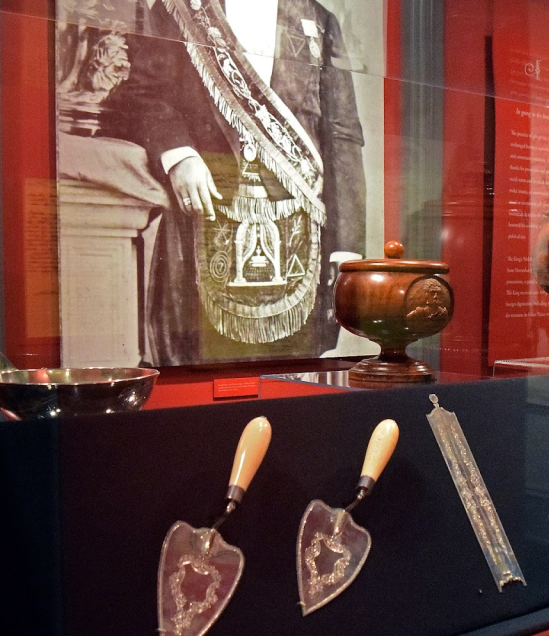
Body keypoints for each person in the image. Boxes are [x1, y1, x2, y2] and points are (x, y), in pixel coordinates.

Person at [105, 0, 366, 364]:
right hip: (204, 221)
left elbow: (342, 136)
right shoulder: (181, 11)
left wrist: (346, 249)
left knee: (294, 387)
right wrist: (178, 154)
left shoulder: (319, 22)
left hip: (300, 240)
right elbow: (145, 95)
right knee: (198, 385)